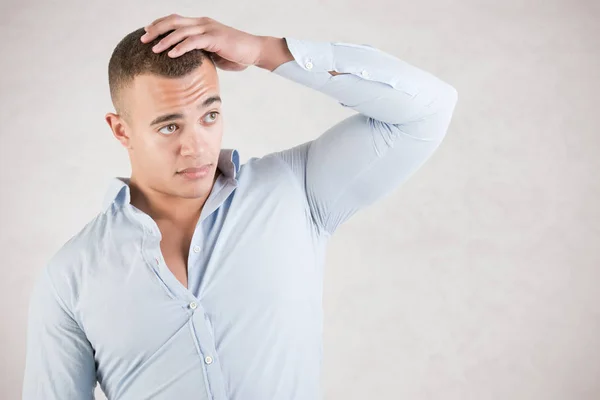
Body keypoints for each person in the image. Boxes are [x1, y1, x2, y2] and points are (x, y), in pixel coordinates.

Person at [22, 13, 458, 400]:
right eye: (170, 126)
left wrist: (263, 50)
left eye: (209, 116)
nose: (196, 147)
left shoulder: (295, 189)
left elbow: (427, 109)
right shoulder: (70, 278)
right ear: (121, 130)